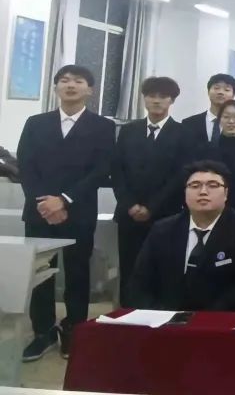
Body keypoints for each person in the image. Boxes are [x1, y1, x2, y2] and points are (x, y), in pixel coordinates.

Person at [19, 65, 116, 361]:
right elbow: (25, 165)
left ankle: (74, 328)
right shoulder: (36, 122)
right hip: (39, 211)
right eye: (64, 80)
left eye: (78, 81)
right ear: (55, 87)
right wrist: (45, 203)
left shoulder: (102, 126)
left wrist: (64, 200)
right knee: (39, 275)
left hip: (79, 211)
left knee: (77, 272)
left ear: (90, 90)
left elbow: (101, 169)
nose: (70, 85)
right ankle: (43, 331)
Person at [128, 161, 235, 312]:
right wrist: (160, 315)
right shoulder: (162, 230)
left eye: (212, 185)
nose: (203, 192)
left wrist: (202, 318)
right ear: (185, 192)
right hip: (165, 318)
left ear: (226, 193)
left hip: (222, 319)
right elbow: (140, 283)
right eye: (195, 186)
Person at [111, 76, 193, 309]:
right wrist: (130, 204)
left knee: (163, 268)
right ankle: (126, 314)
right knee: (129, 267)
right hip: (129, 214)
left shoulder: (183, 133)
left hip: (165, 214)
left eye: (163, 96)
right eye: (151, 96)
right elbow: (117, 170)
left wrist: (151, 207)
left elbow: (180, 175)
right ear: (144, 99)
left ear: (172, 100)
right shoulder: (128, 131)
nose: (156, 101)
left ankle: (160, 316)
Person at [181, 73, 235, 144]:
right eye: (216, 88)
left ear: (233, 95)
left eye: (226, 90)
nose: (220, 92)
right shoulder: (189, 123)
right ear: (208, 92)